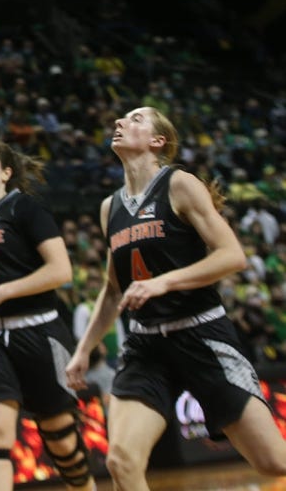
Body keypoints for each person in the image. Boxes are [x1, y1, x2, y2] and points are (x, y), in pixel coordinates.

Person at [66, 107, 286, 489]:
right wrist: (84, 349)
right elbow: (112, 288)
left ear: (158, 141)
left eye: (135, 119)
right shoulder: (109, 208)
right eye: (119, 118)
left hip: (201, 336)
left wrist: (165, 282)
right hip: (146, 345)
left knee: (273, 463)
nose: (119, 122)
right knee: (121, 461)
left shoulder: (179, 184)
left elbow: (232, 255)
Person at [0, 139, 92, 491]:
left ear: (7, 172)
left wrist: (0, 293)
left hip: (36, 330)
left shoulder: (26, 210)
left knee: (61, 440)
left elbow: (60, 271)